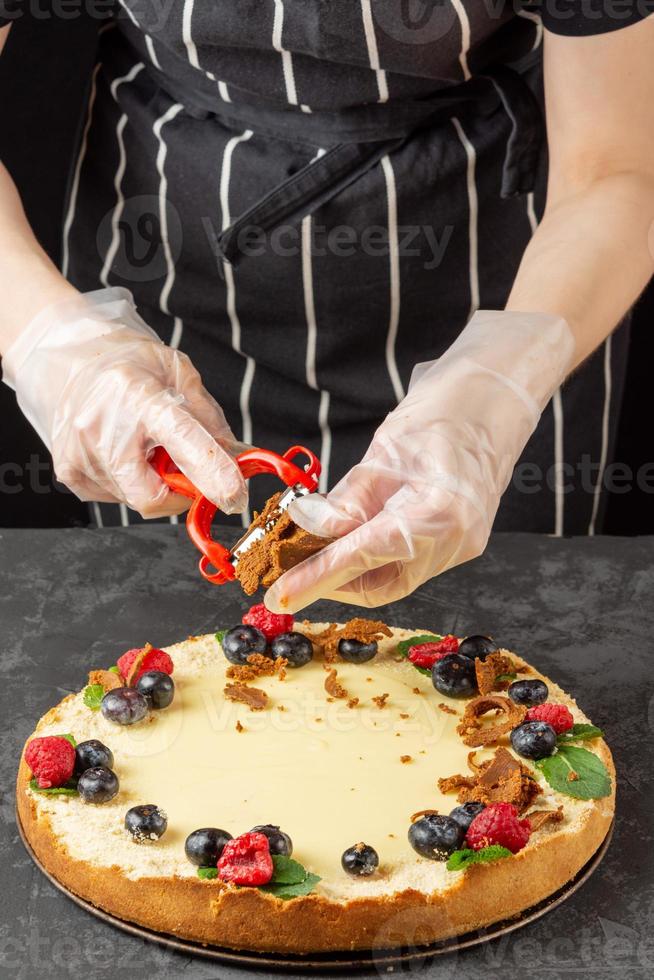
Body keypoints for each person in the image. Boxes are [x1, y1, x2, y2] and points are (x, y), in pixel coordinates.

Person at [0, 2, 652, 613]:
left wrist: (500, 387)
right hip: (171, 271)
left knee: (514, 647)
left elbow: (617, 164)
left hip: (515, 281)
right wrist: (52, 342)